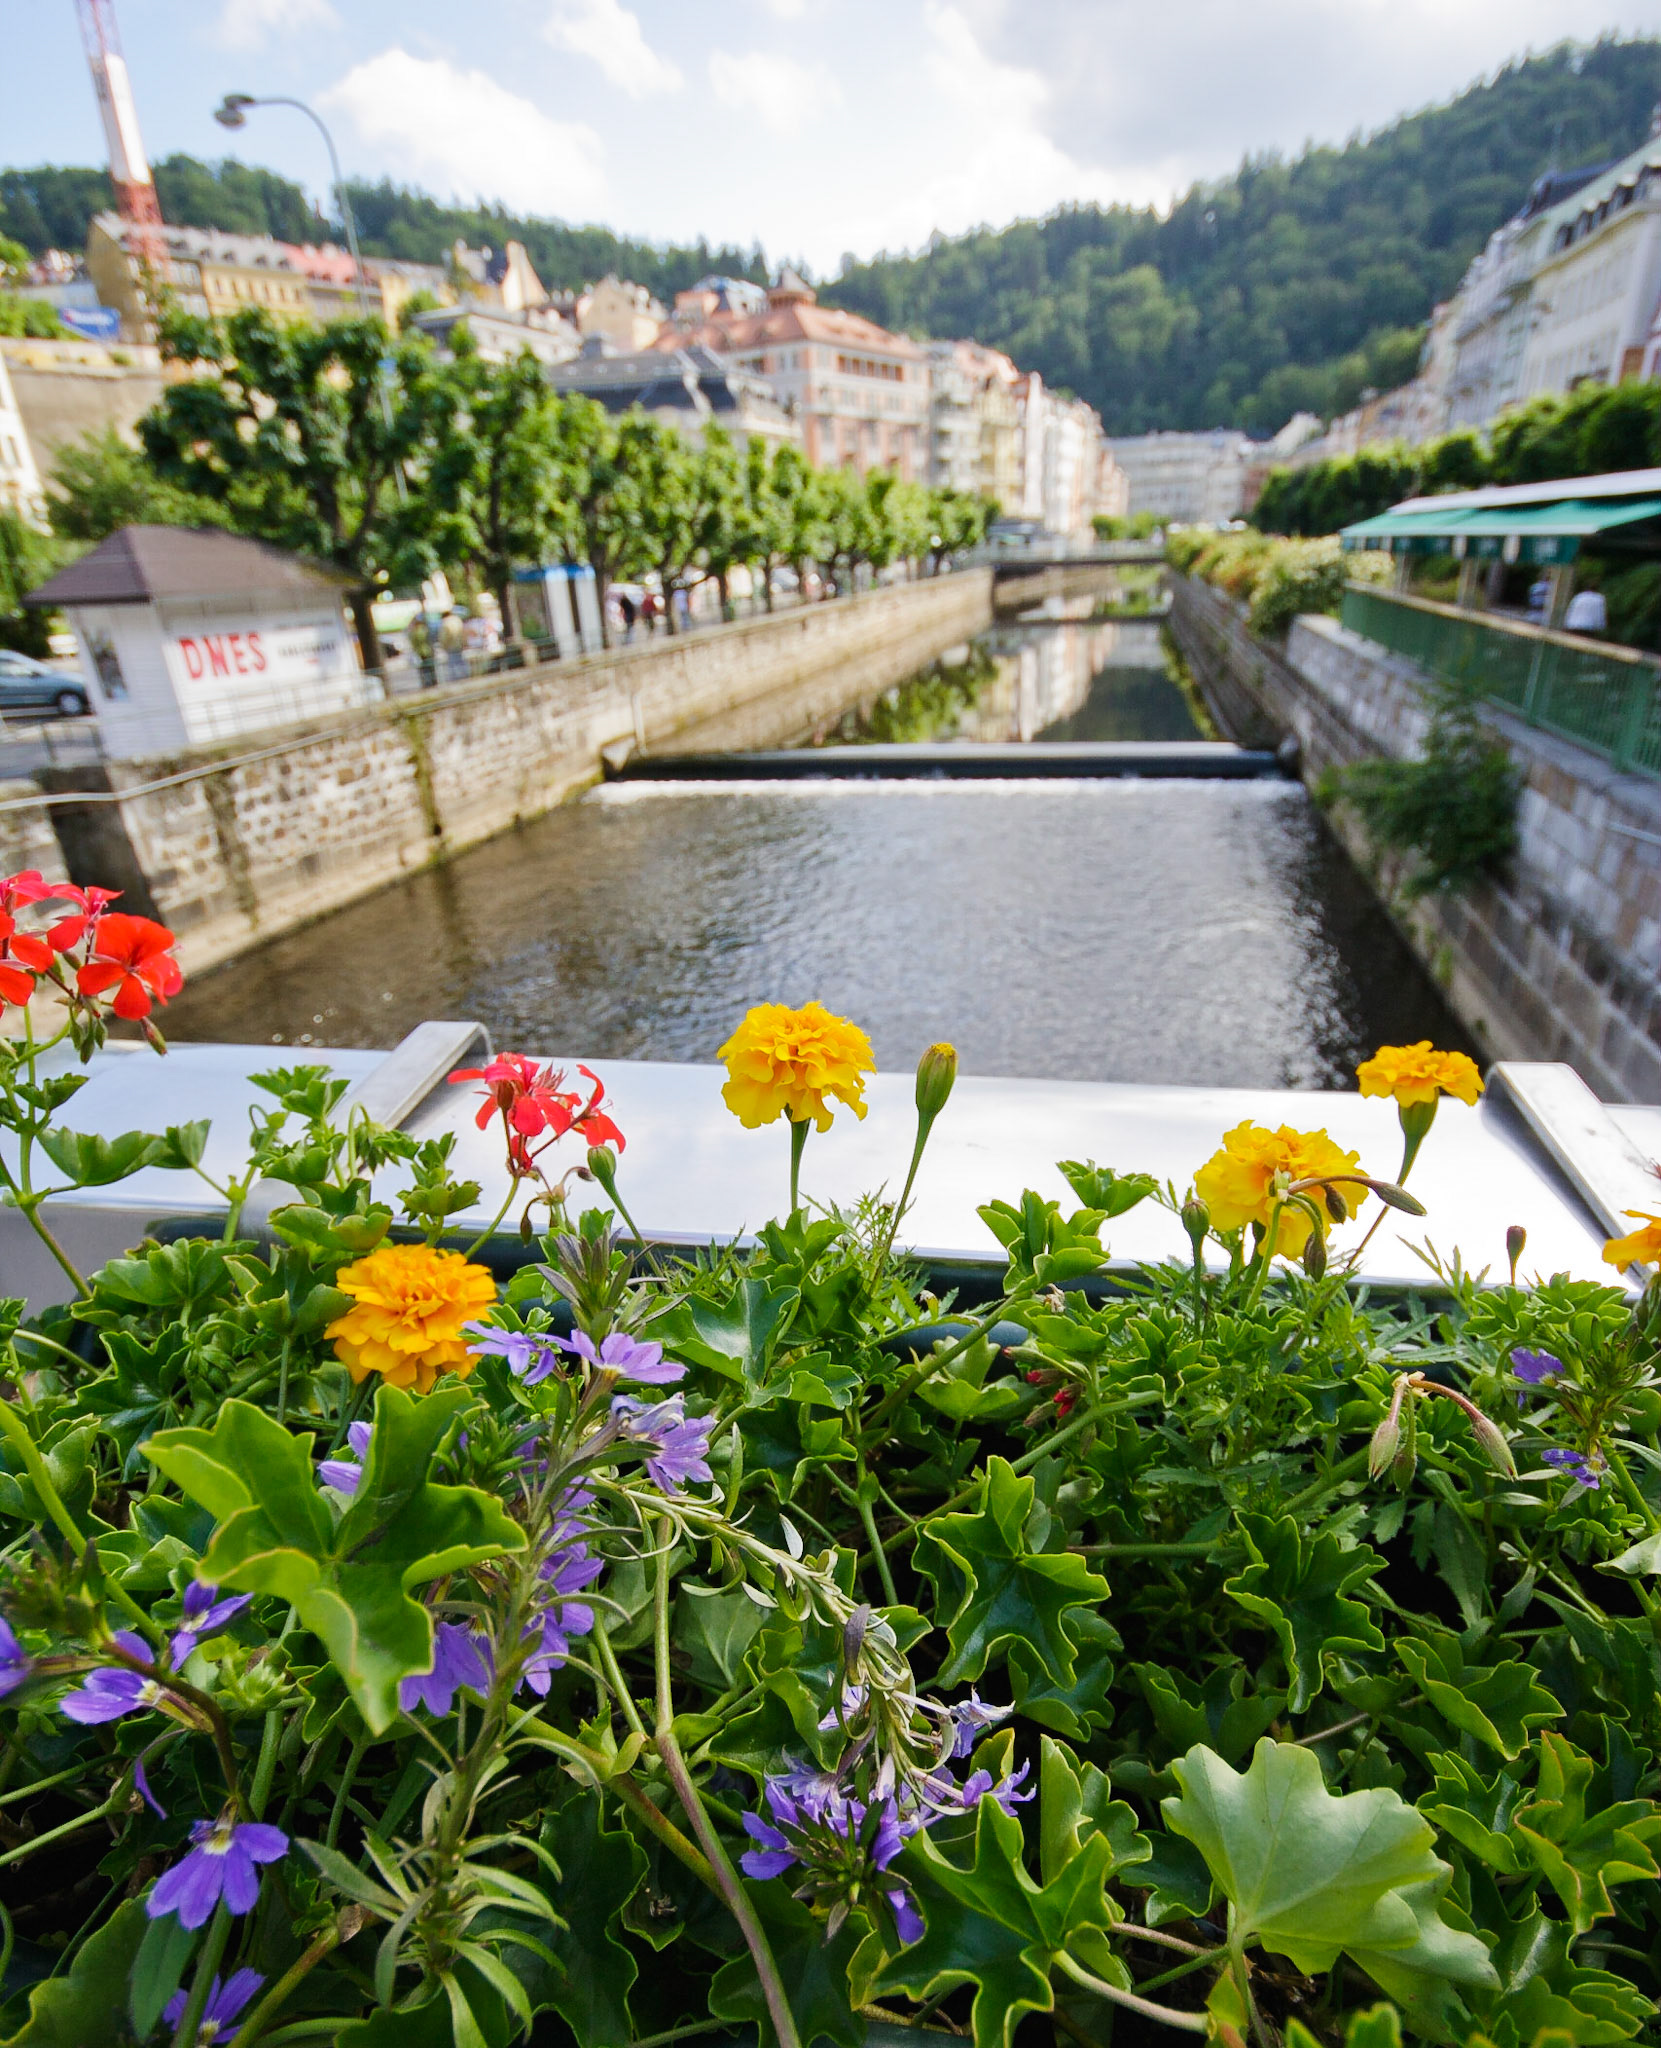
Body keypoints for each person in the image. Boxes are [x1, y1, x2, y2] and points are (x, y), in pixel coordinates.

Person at [438, 609, 467, 681]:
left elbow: (444, 637)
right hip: (459, 645)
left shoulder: (445, 623)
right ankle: (465, 676)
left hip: (450, 646)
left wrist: (443, 646)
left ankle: (455, 679)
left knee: (452, 664)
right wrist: (464, 642)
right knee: (460, 662)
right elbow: (463, 632)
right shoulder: (457, 620)